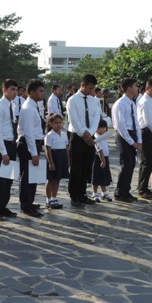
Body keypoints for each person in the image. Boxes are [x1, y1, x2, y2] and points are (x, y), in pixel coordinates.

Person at [67, 74, 101, 205]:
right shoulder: (73, 100)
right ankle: (74, 195)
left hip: (90, 137)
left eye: (93, 88)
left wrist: (90, 133)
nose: (92, 91)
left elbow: (96, 118)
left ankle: (82, 193)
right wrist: (83, 134)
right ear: (83, 85)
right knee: (76, 167)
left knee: (87, 167)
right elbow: (74, 119)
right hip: (77, 136)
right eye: (90, 88)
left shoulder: (94, 101)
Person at [0, 79, 19, 219]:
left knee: (9, 179)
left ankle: (3, 206)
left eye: (16, 90)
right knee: (1, 179)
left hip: (12, 144)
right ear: (4, 89)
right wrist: (4, 152)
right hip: (2, 145)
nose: (15, 92)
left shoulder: (12, 105)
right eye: (12, 89)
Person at [17, 79, 46, 217]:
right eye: (40, 91)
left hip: (34, 143)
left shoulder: (34, 105)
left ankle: (30, 201)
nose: (42, 93)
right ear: (32, 92)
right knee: (27, 177)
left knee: (33, 176)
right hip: (28, 144)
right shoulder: (28, 108)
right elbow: (28, 132)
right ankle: (26, 205)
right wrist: (34, 153)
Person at [111, 78, 142, 203]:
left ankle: (126, 190)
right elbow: (120, 125)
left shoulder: (132, 103)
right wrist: (131, 142)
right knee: (126, 164)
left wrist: (139, 140)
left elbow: (137, 123)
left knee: (131, 164)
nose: (137, 88)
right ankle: (120, 192)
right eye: (135, 86)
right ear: (129, 88)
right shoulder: (120, 103)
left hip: (132, 134)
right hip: (124, 136)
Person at [44, 113, 69, 209]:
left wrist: (68, 160)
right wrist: (51, 163)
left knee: (57, 179)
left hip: (62, 158)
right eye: (56, 123)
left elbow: (66, 148)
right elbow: (48, 149)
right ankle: (48, 199)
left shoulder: (64, 134)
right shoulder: (49, 135)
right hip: (54, 157)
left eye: (60, 122)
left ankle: (54, 198)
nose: (58, 125)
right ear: (51, 124)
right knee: (51, 179)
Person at [91, 119, 112, 202]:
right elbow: (99, 150)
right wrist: (103, 160)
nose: (104, 129)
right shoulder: (97, 137)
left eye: (105, 127)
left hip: (105, 158)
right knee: (96, 177)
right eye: (102, 128)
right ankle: (95, 193)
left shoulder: (103, 136)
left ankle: (104, 193)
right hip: (99, 159)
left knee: (104, 177)